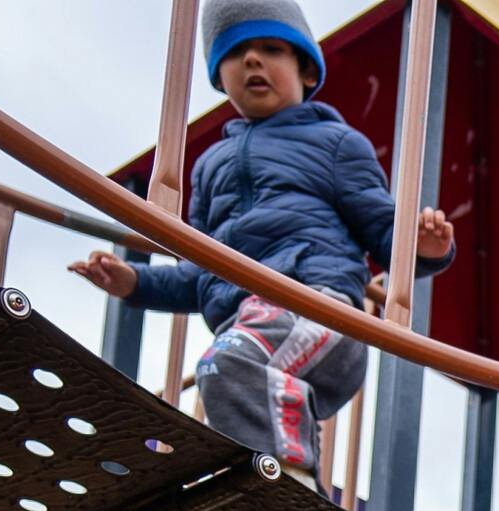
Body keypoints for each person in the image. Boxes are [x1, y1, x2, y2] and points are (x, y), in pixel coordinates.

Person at [70, 2, 454, 484]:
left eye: (271, 49)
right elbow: (199, 272)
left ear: (306, 69)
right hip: (249, 324)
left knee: (225, 364)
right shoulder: (209, 165)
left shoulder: (334, 143)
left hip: (317, 307)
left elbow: (380, 228)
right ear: (218, 76)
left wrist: (424, 248)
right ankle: (257, 483)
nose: (253, 61)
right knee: (223, 376)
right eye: (236, 53)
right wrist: (135, 282)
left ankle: (289, 481)